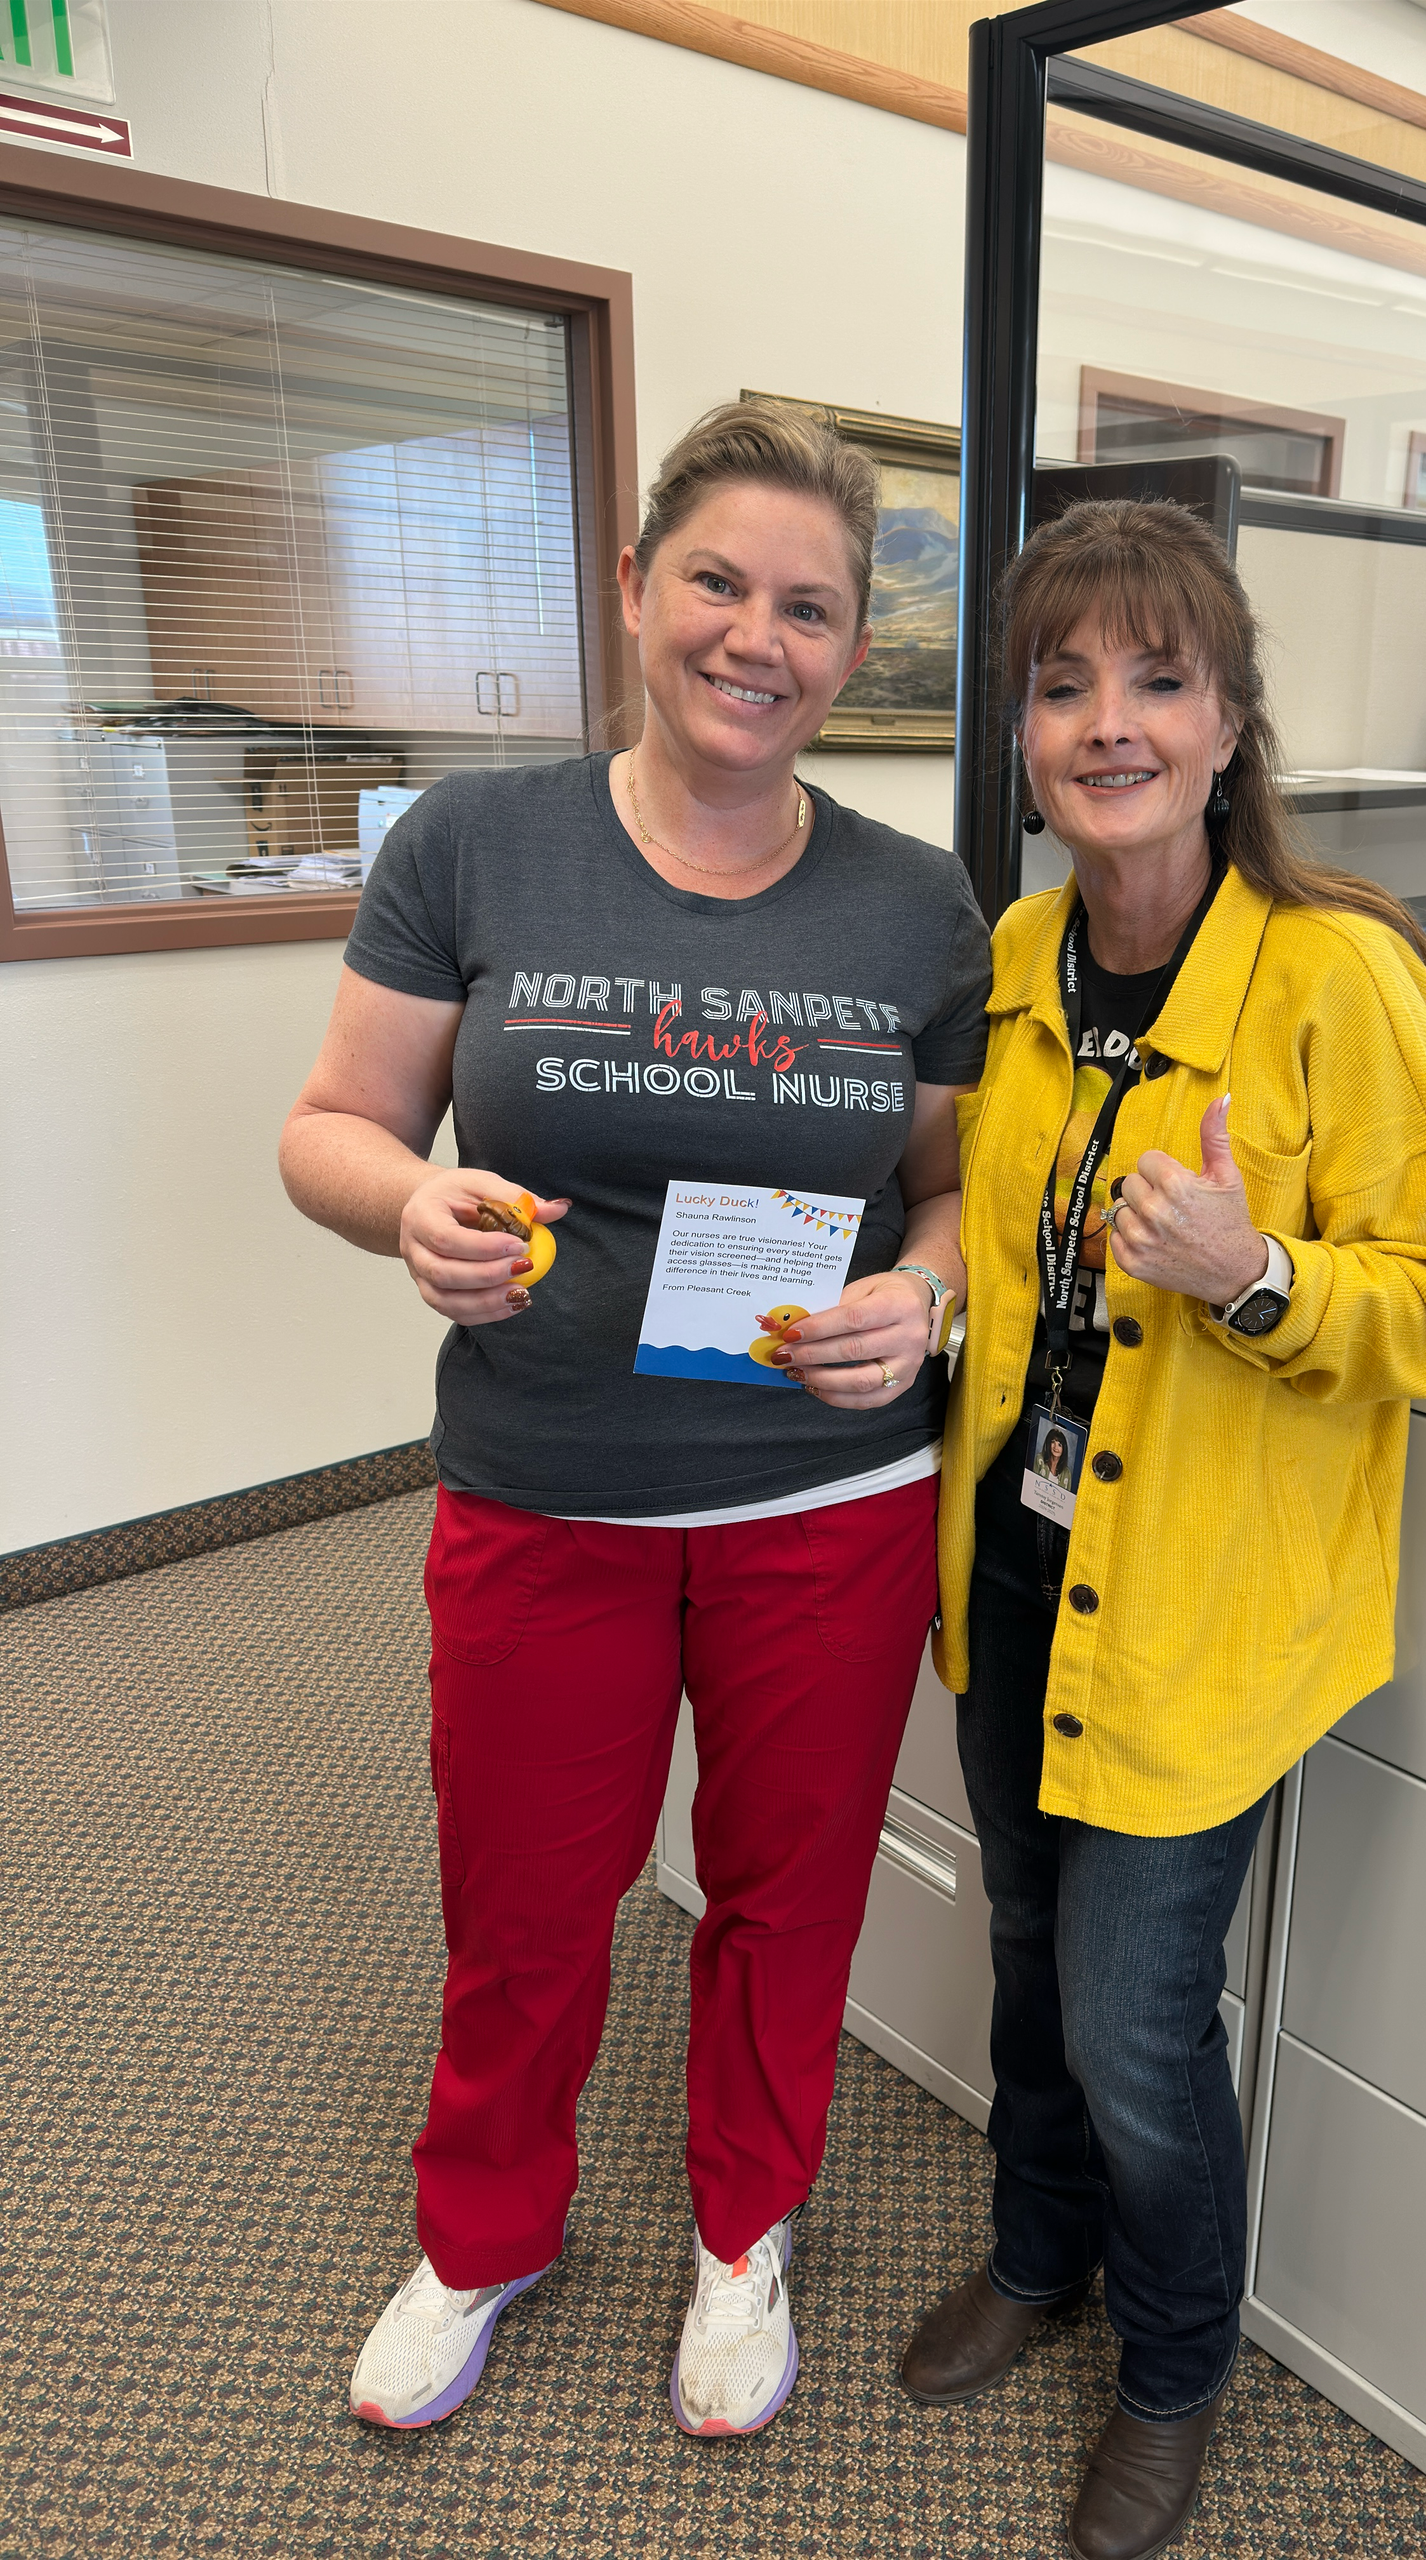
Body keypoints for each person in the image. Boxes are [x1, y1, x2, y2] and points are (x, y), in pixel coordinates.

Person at [280, 401, 990, 2441]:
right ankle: (484, 2228)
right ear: (633, 589)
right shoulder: (474, 843)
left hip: (825, 1492)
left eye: (809, 607)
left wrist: (921, 1289)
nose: (756, 637)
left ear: (851, 651)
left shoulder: (914, 907)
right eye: (718, 583)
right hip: (548, 1480)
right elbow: (332, 1124)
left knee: (790, 1892)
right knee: (526, 1892)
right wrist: (406, 1201)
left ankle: (742, 2228)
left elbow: (941, 1180)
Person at [901, 499, 1426, 2560]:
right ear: (1023, 729)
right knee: (1019, 1948)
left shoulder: (1339, 975)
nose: (1108, 719)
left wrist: (1255, 1272)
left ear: (1232, 719)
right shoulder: (1013, 955)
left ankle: (1171, 2364)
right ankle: (1036, 2249)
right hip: (1017, 1555)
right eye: (1063, 683)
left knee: (1132, 2025)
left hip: (1201, 1595)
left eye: (1157, 676)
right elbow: (1005, 1254)